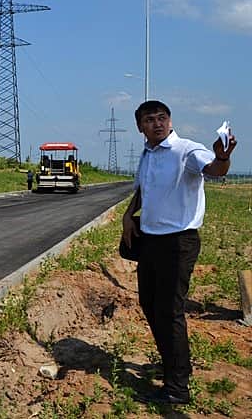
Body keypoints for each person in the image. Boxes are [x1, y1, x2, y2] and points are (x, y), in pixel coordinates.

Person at [122, 100, 237, 405]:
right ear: (140, 127)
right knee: (148, 303)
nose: (157, 123)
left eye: (162, 118)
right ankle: (173, 363)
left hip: (179, 242)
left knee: (169, 311)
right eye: (150, 120)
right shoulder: (147, 155)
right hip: (150, 241)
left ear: (170, 121)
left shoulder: (186, 150)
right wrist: (127, 216)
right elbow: (142, 190)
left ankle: (177, 387)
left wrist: (223, 156)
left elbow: (213, 169)